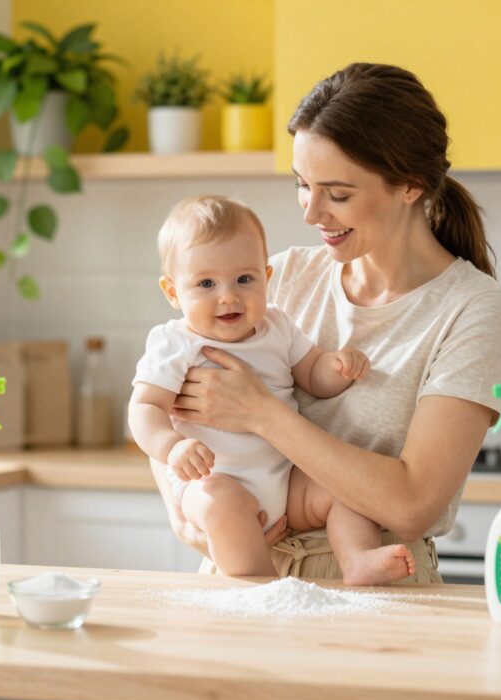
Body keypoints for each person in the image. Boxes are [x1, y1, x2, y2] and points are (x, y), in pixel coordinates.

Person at [151, 63, 501, 584]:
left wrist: (262, 413)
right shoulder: (277, 277)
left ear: (410, 186)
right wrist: (186, 514)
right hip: (240, 568)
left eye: (338, 194)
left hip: (377, 585)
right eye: (303, 185)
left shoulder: (472, 308)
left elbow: (413, 504)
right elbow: (165, 396)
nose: (311, 213)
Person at [129, 195, 418, 584]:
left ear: (267, 277)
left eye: (244, 280)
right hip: (215, 480)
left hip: (285, 480)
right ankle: (263, 587)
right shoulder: (176, 343)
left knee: (343, 492)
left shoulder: (277, 326)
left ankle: (357, 558)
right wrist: (171, 447)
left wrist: (336, 367)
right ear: (172, 292)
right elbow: (144, 408)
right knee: (222, 505)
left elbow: (311, 374)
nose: (229, 296)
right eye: (206, 284)